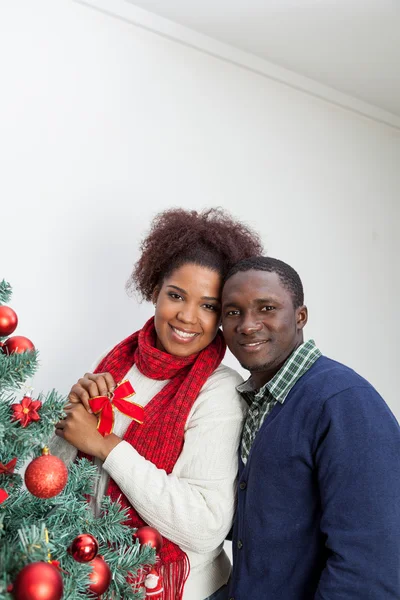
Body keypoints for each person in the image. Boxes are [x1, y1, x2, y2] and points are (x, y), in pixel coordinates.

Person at [51, 208, 263, 600]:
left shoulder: (219, 393)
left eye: (208, 305)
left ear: (224, 314)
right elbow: (55, 479)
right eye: (176, 295)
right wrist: (69, 418)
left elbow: (206, 525)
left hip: (178, 590)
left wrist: (106, 446)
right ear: (154, 290)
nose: (187, 316)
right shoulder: (117, 362)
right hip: (89, 578)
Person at [221, 256, 400, 600]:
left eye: (267, 308)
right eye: (233, 312)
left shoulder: (344, 402)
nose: (247, 325)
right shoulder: (253, 401)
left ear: (300, 317)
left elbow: (370, 567)